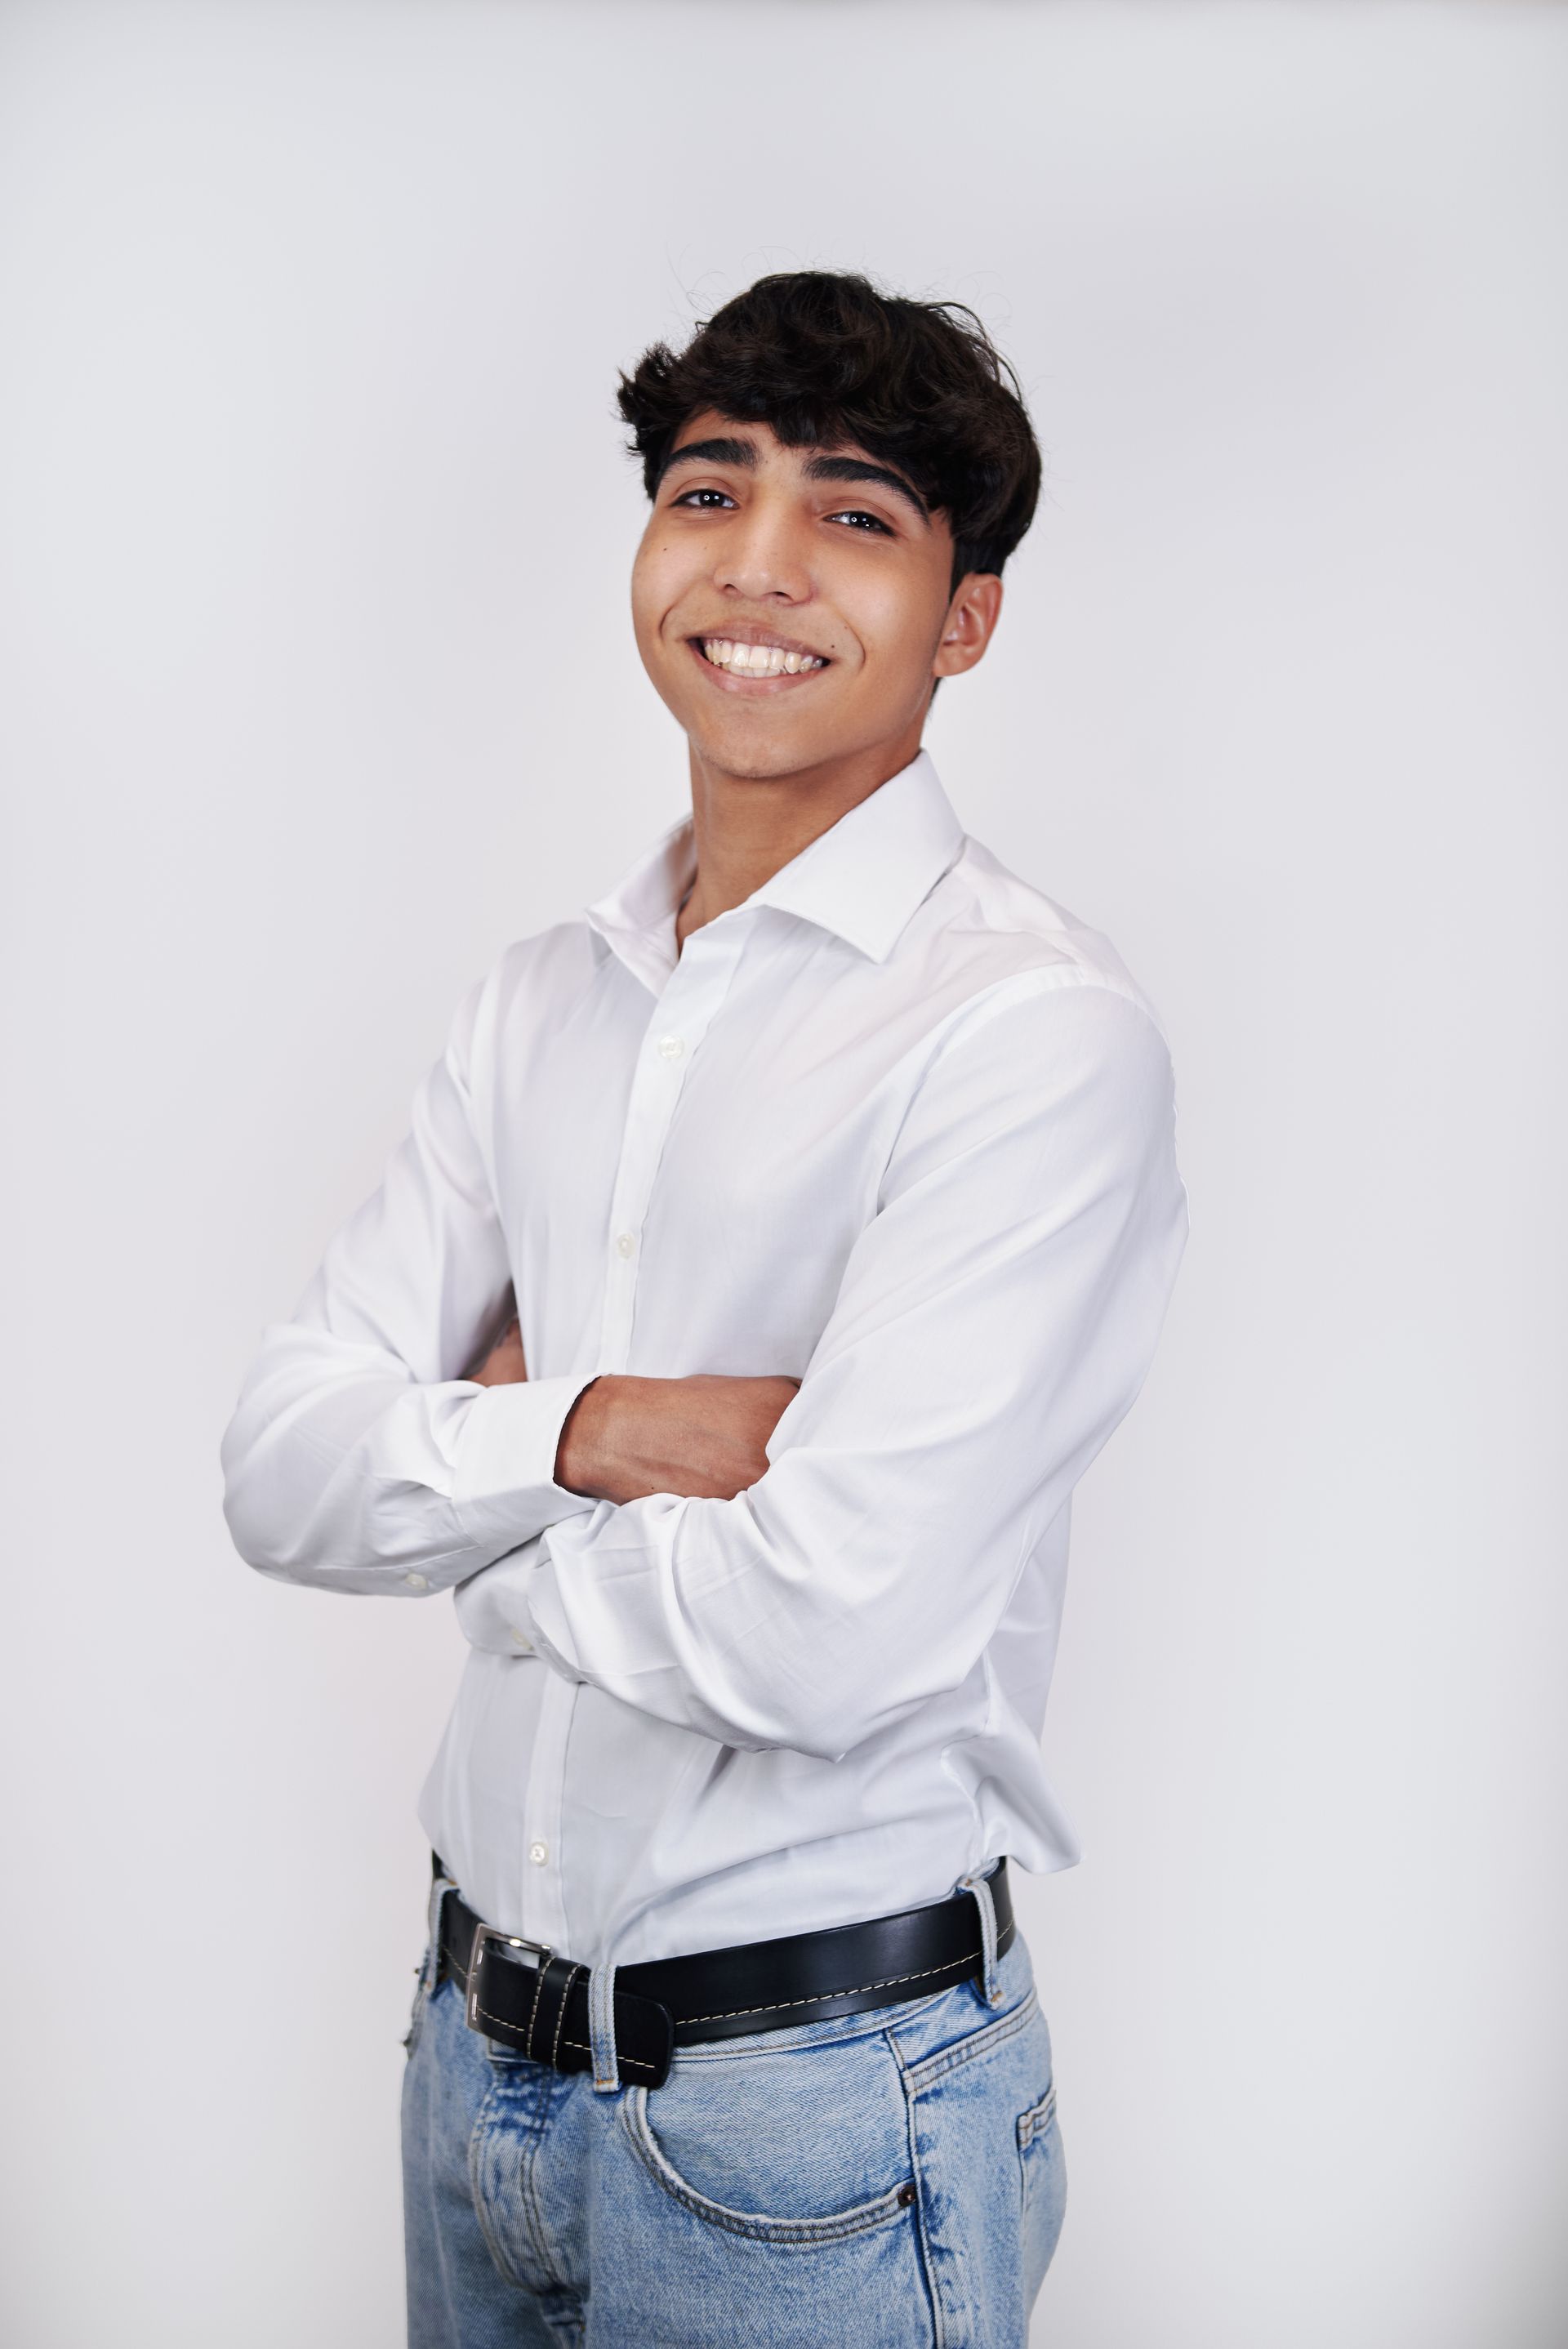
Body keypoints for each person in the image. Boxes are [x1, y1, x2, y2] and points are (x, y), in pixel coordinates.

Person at [221, 270, 1188, 2348]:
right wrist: (598, 1431)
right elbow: (282, 1465)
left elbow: (823, 1631)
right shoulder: (538, 1002)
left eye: (854, 514)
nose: (755, 567)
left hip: (815, 2113)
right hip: (469, 2058)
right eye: (705, 489)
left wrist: (472, 1523)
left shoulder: (1027, 1034)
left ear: (968, 614)